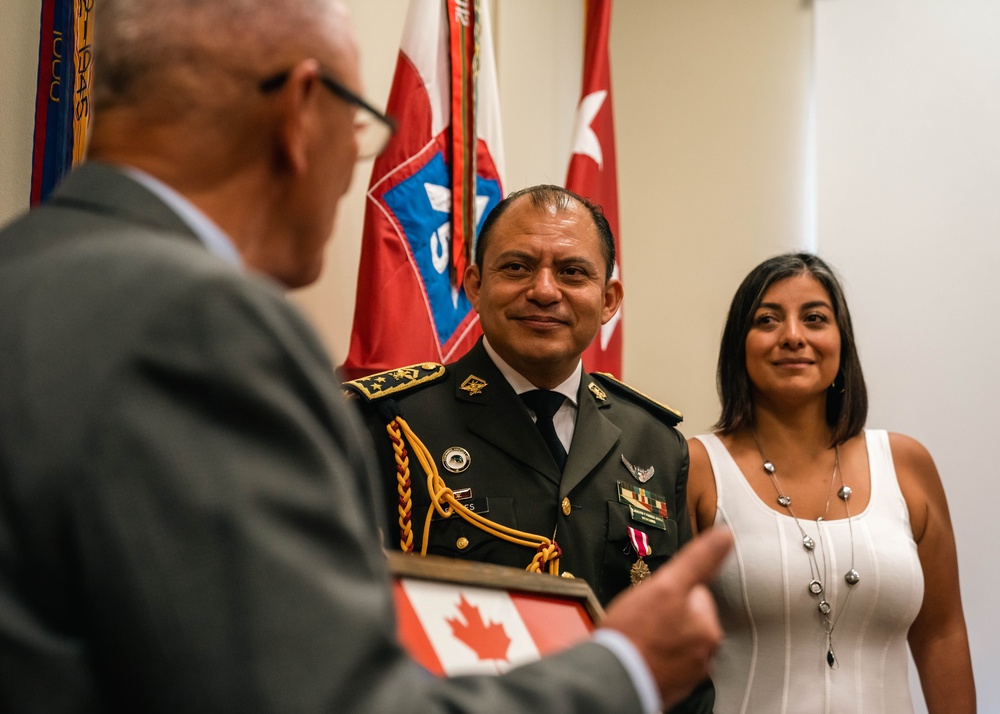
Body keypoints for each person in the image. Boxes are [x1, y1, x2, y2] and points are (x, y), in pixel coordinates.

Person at [0, 1, 733, 712]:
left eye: (572, 273)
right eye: (358, 125)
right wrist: (626, 671)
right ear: (299, 112)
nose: (356, 168)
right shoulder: (202, 326)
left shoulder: (24, 272)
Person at [347, 184, 712, 713]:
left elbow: (677, 642)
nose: (544, 290)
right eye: (516, 267)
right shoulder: (392, 422)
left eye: (572, 272)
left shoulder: (655, 441)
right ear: (475, 284)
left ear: (608, 300)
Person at [687, 252, 975, 713]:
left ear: (842, 343)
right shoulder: (698, 467)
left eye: (815, 318)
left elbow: (942, 633)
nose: (793, 336)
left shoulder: (906, 464)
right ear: (739, 346)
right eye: (767, 320)